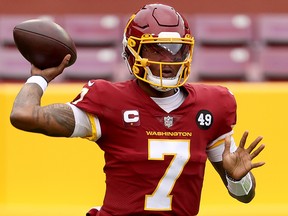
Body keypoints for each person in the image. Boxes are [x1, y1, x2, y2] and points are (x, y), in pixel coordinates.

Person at [10, 3, 265, 216]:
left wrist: (236, 178)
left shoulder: (212, 105)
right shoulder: (109, 100)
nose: (168, 61)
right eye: (156, 50)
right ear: (131, 53)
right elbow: (24, 116)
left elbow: (244, 197)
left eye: (177, 51)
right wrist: (40, 78)